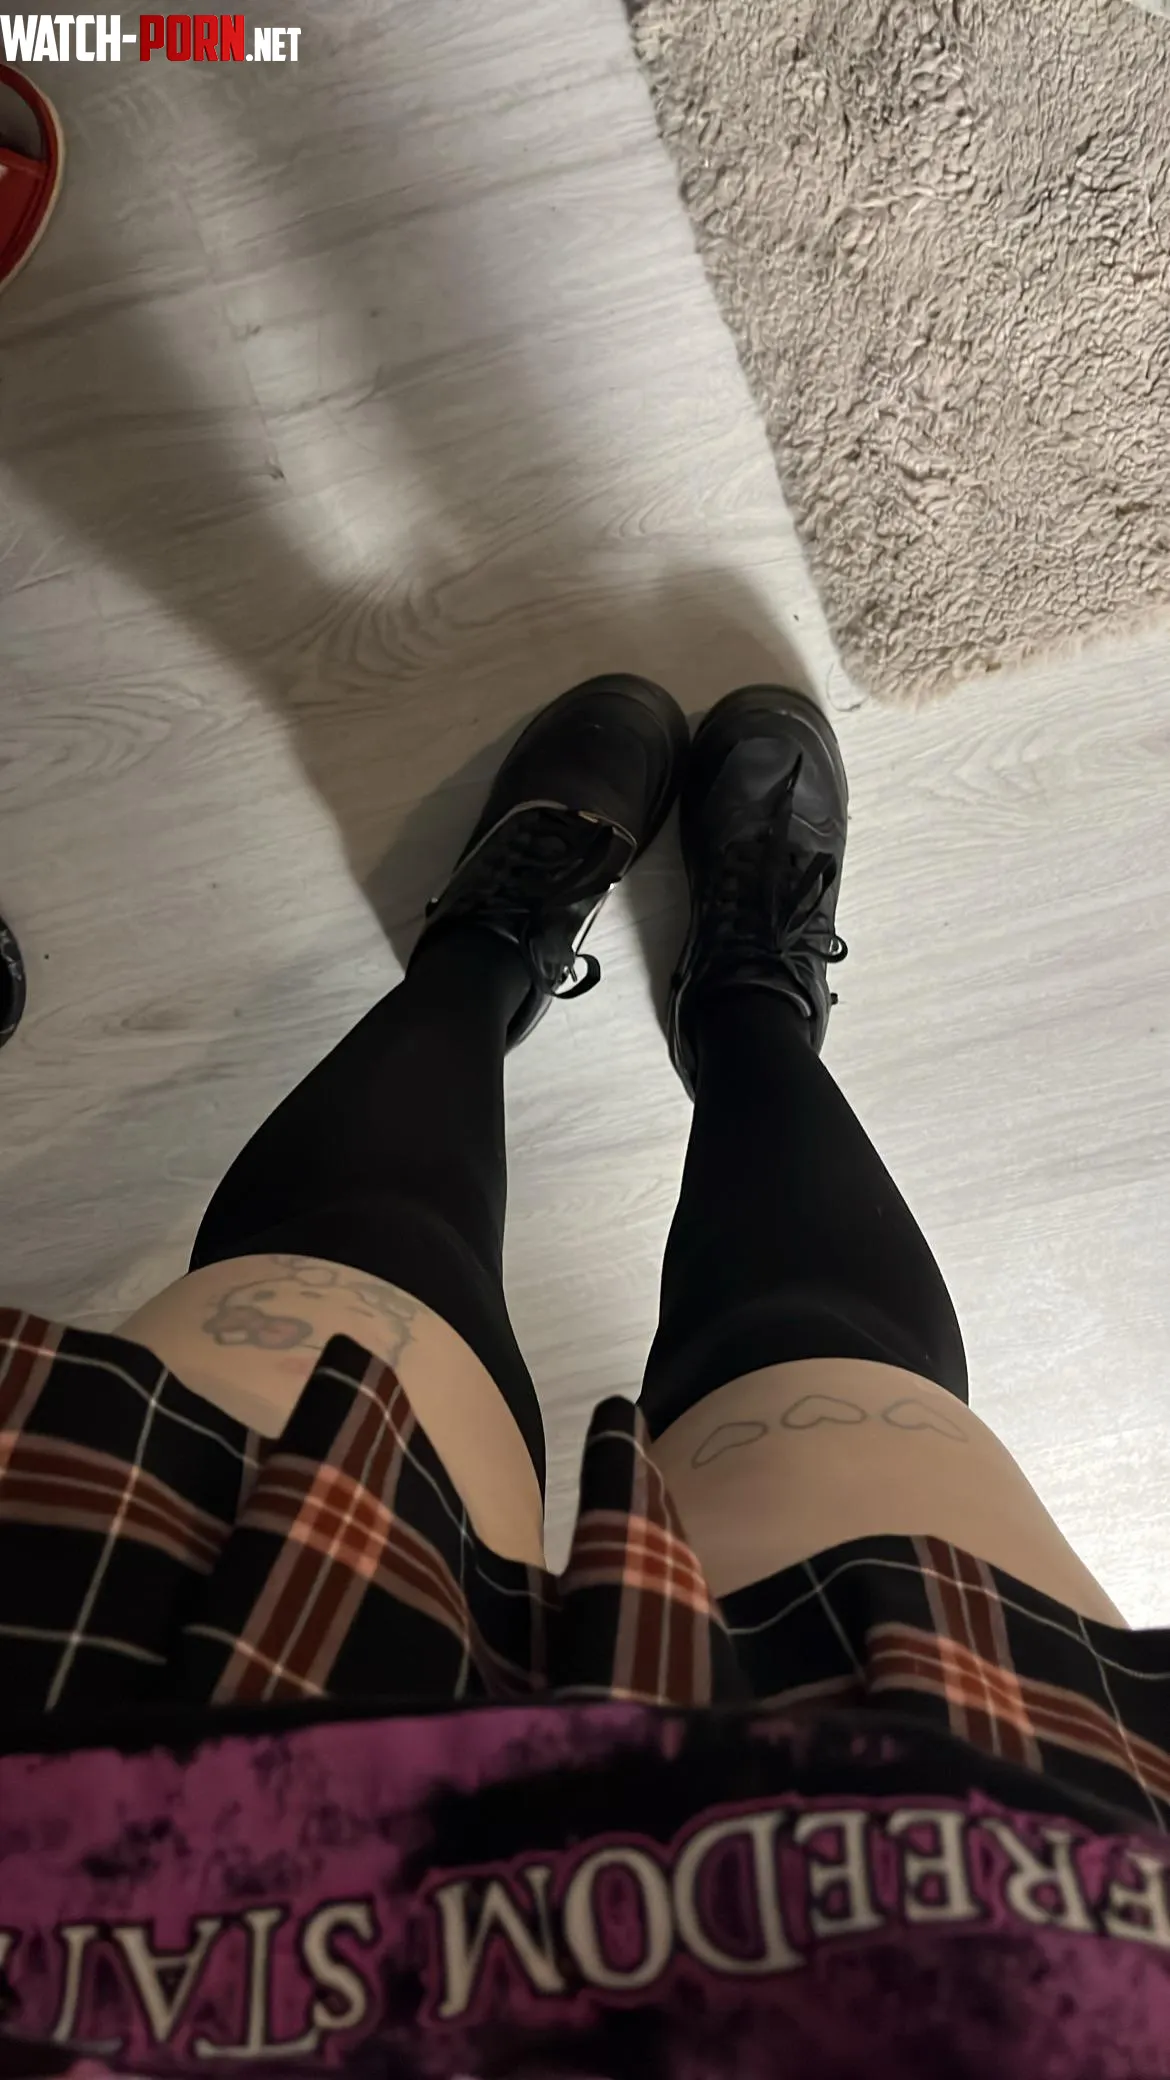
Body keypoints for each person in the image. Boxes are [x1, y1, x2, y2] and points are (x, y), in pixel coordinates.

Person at [0, 675, 1167, 2077]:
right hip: (981, 1951)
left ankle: (484, 954)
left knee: (334, 1302)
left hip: (94, 1848)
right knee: (838, 1405)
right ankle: (745, 999)